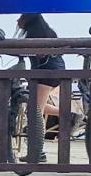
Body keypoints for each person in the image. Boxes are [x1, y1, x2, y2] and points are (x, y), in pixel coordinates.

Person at [18, 12, 67, 162]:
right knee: (36, 109)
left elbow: (39, 54)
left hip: (46, 72)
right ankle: (67, 114)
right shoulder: (49, 33)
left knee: (34, 112)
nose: (17, 19)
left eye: (20, 17)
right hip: (57, 70)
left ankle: (37, 152)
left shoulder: (34, 36)